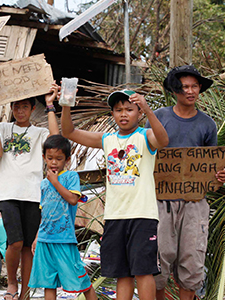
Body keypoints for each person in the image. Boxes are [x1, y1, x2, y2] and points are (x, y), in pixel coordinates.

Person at [61, 89, 169, 300]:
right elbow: (68, 132)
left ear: (139, 113)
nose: (123, 114)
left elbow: (163, 140)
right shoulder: (107, 139)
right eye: (118, 110)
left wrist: (148, 109)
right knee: (122, 273)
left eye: (129, 109)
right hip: (114, 216)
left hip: (142, 215)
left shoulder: (145, 136)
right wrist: (66, 103)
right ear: (112, 114)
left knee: (144, 270)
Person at [149, 66, 225, 300]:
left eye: (194, 86)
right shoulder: (159, 117)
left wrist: (220, 176)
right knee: (158, 259)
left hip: (195, 202)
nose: (190, 91)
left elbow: (211, 165)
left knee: (192, 259)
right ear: (175, 90)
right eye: (184, 87)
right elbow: (145, 153)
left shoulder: (208, 124)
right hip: (160, 201)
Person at [0, 88, 59, 300]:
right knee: (15, 242)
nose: (20, 111)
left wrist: (50, 105)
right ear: (11, 108)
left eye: (25, 106)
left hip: (34, 193)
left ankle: (25, 291)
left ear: (32, 109)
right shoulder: (2, 127)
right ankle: (11, 283)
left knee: (27, 246)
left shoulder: (39, 133)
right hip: (7, 192)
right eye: (16, 106)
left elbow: (56, 140)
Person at [28, 134, 98, 300]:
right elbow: (43, 213)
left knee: (81, 279)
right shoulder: (44, 183)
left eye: (59, 159)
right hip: (45, 239)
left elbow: (73, 200)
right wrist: (37, 237)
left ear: (67, 159)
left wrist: (55, 182)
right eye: (50, 158)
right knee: (48, 283)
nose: (54, 162)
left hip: (64, 239)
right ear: (44, 157)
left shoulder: (70, 177)